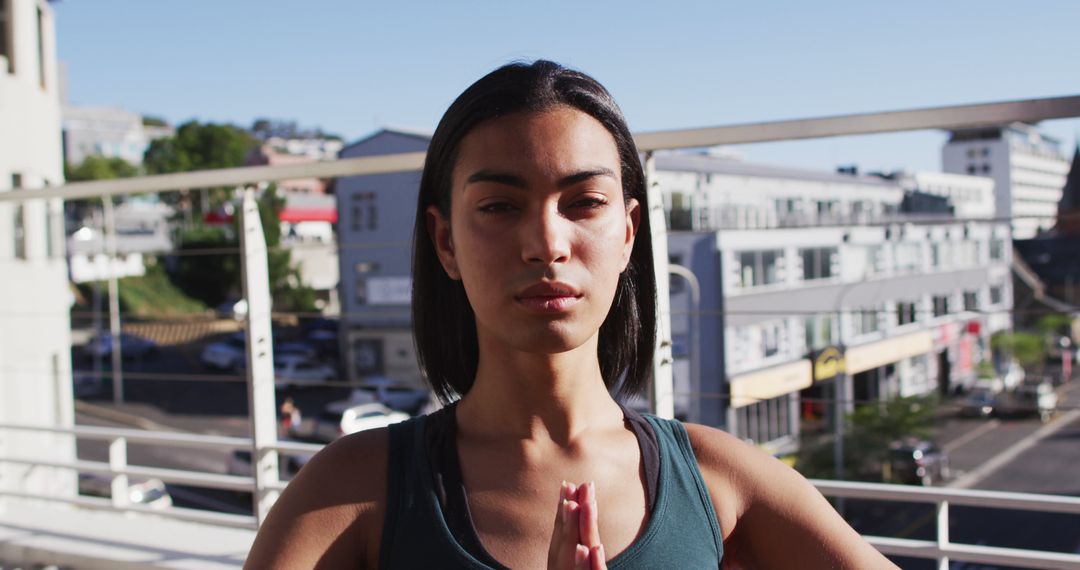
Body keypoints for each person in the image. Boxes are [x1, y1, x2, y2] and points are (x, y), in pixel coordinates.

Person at [245, 60, 897, 569]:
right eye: (499, 207)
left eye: (584, 202)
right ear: (445, 241)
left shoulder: (723, 478)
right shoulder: (351, 490)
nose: (546, 243)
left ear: (629, 234)